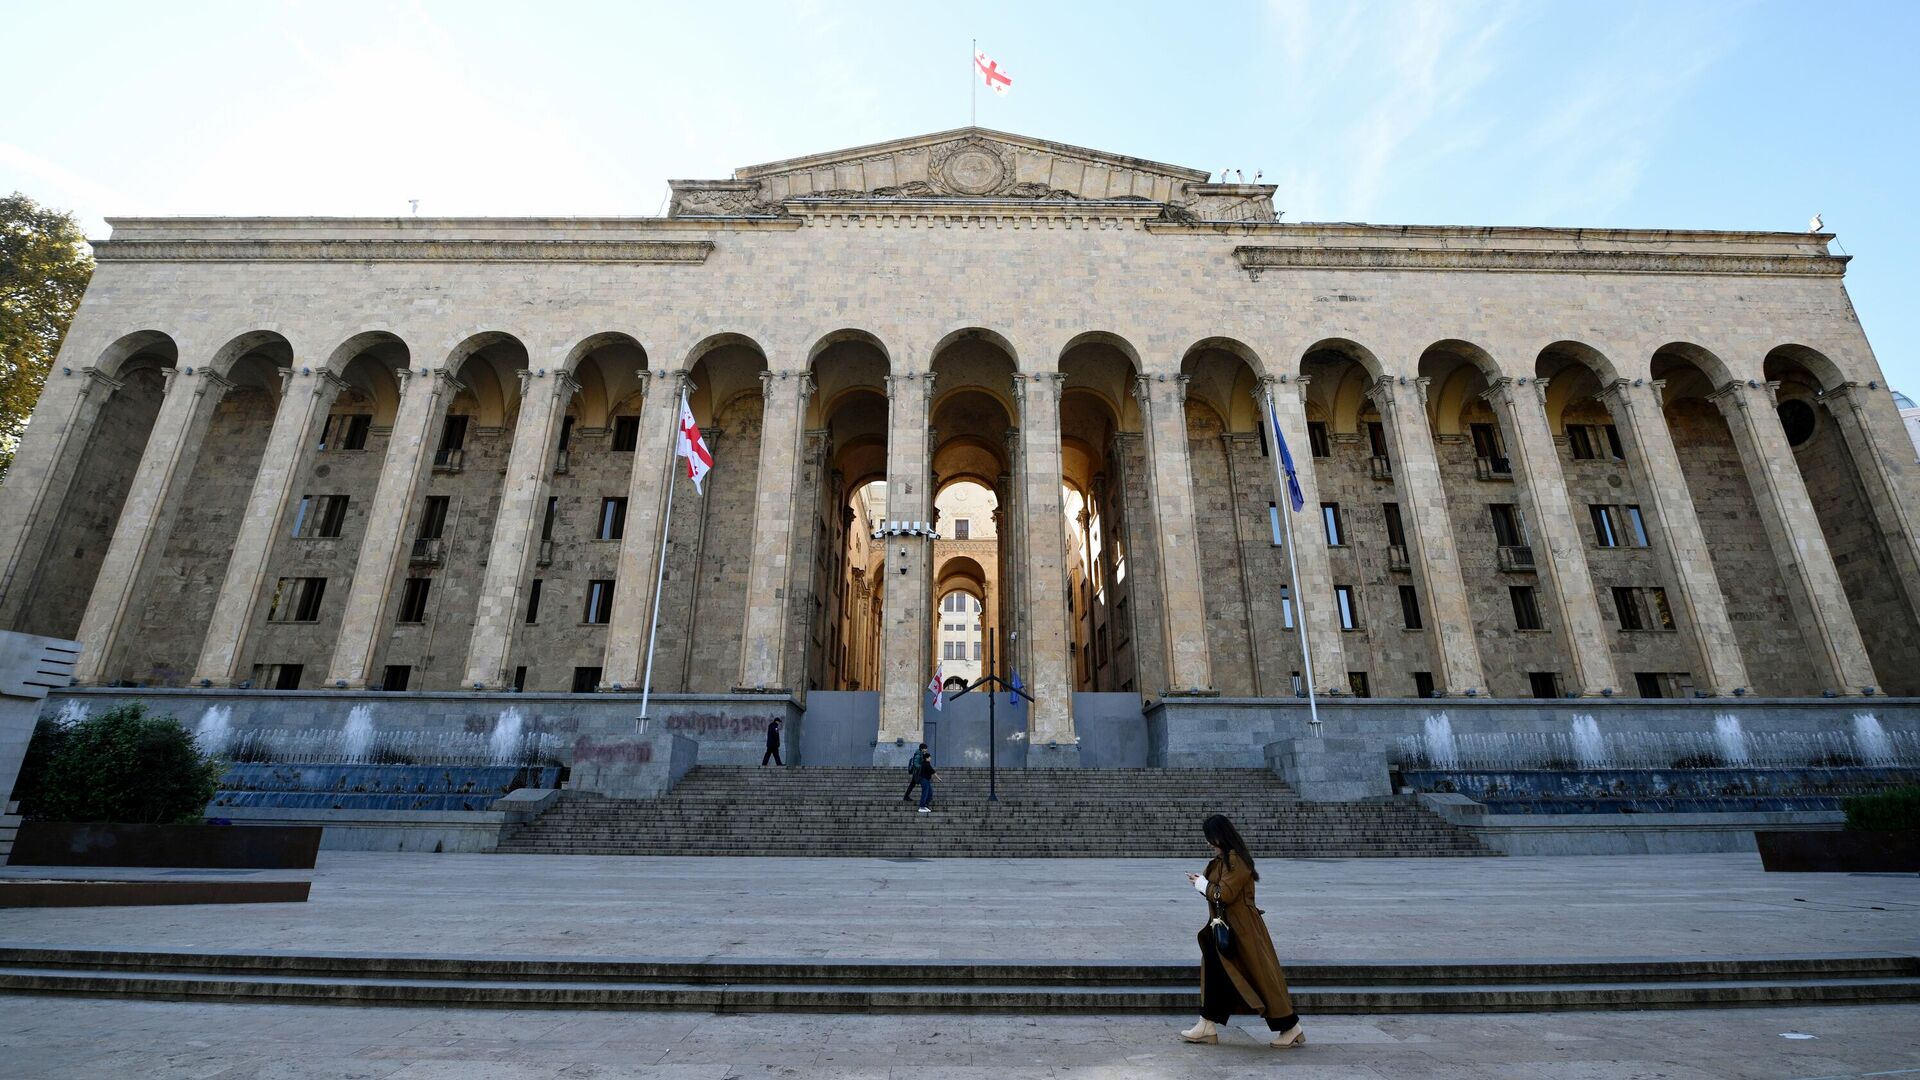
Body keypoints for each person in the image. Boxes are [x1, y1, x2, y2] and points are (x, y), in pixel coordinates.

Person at [1180, 814, 1304, 1049]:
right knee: (1215, 973)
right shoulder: (1226, 858)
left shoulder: (1235, 860)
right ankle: (1206, 1023)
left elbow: (1224, 894)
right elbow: (1220, 891)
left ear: (1220, 836)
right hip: (1225, 927)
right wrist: (1202, 883)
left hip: (1242, 931)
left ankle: (1291, 1027)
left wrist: (1202, 884)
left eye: (1210, 838)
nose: (1209, 843)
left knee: (1260, 979)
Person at [913, 744, 937, 813]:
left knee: (930, 793)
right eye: (925, 748)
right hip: (922, 777)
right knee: (925, 792)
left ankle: (925, 805)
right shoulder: (918, 755)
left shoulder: (923, 755)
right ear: (922, 749)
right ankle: (922, 806)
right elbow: (916, 764)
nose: (926, 750)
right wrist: (921, 767)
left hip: (925, 778)